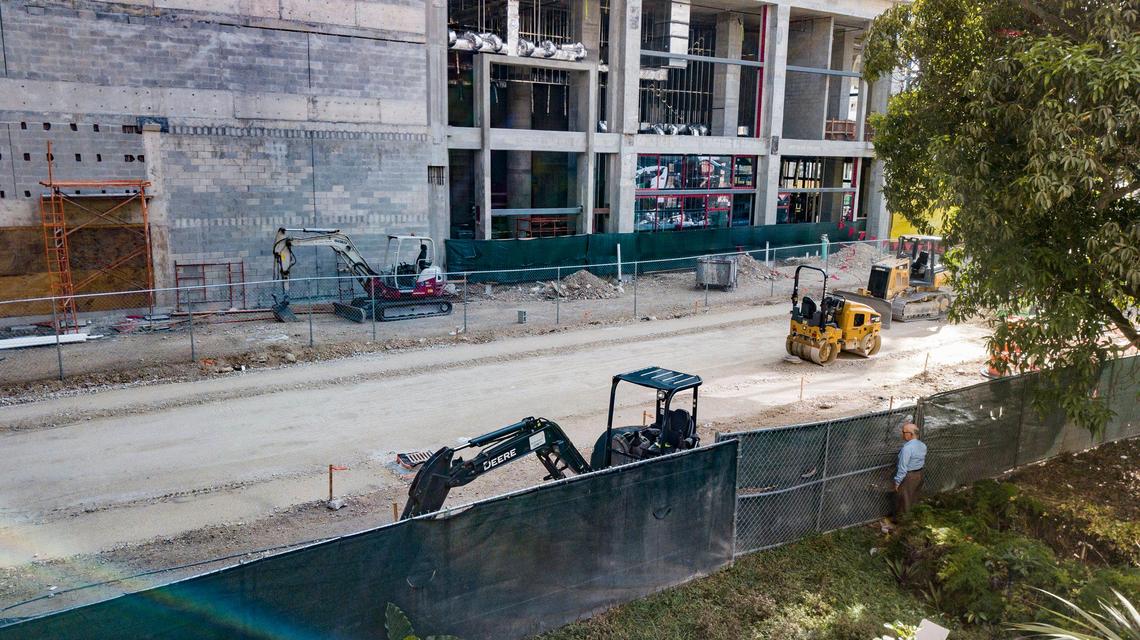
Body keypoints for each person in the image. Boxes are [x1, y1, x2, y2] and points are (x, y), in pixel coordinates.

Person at [893, 420, 926, 518]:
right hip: (919, 474)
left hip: (909, 477)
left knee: (904, 501)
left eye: (904, 432)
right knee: (913, 498)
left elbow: (903, 467)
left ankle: (903, 523)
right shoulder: (922, 445)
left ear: (910, 434)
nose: (902, 435)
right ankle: (913, 519)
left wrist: (897, 482)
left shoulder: (907, 449)